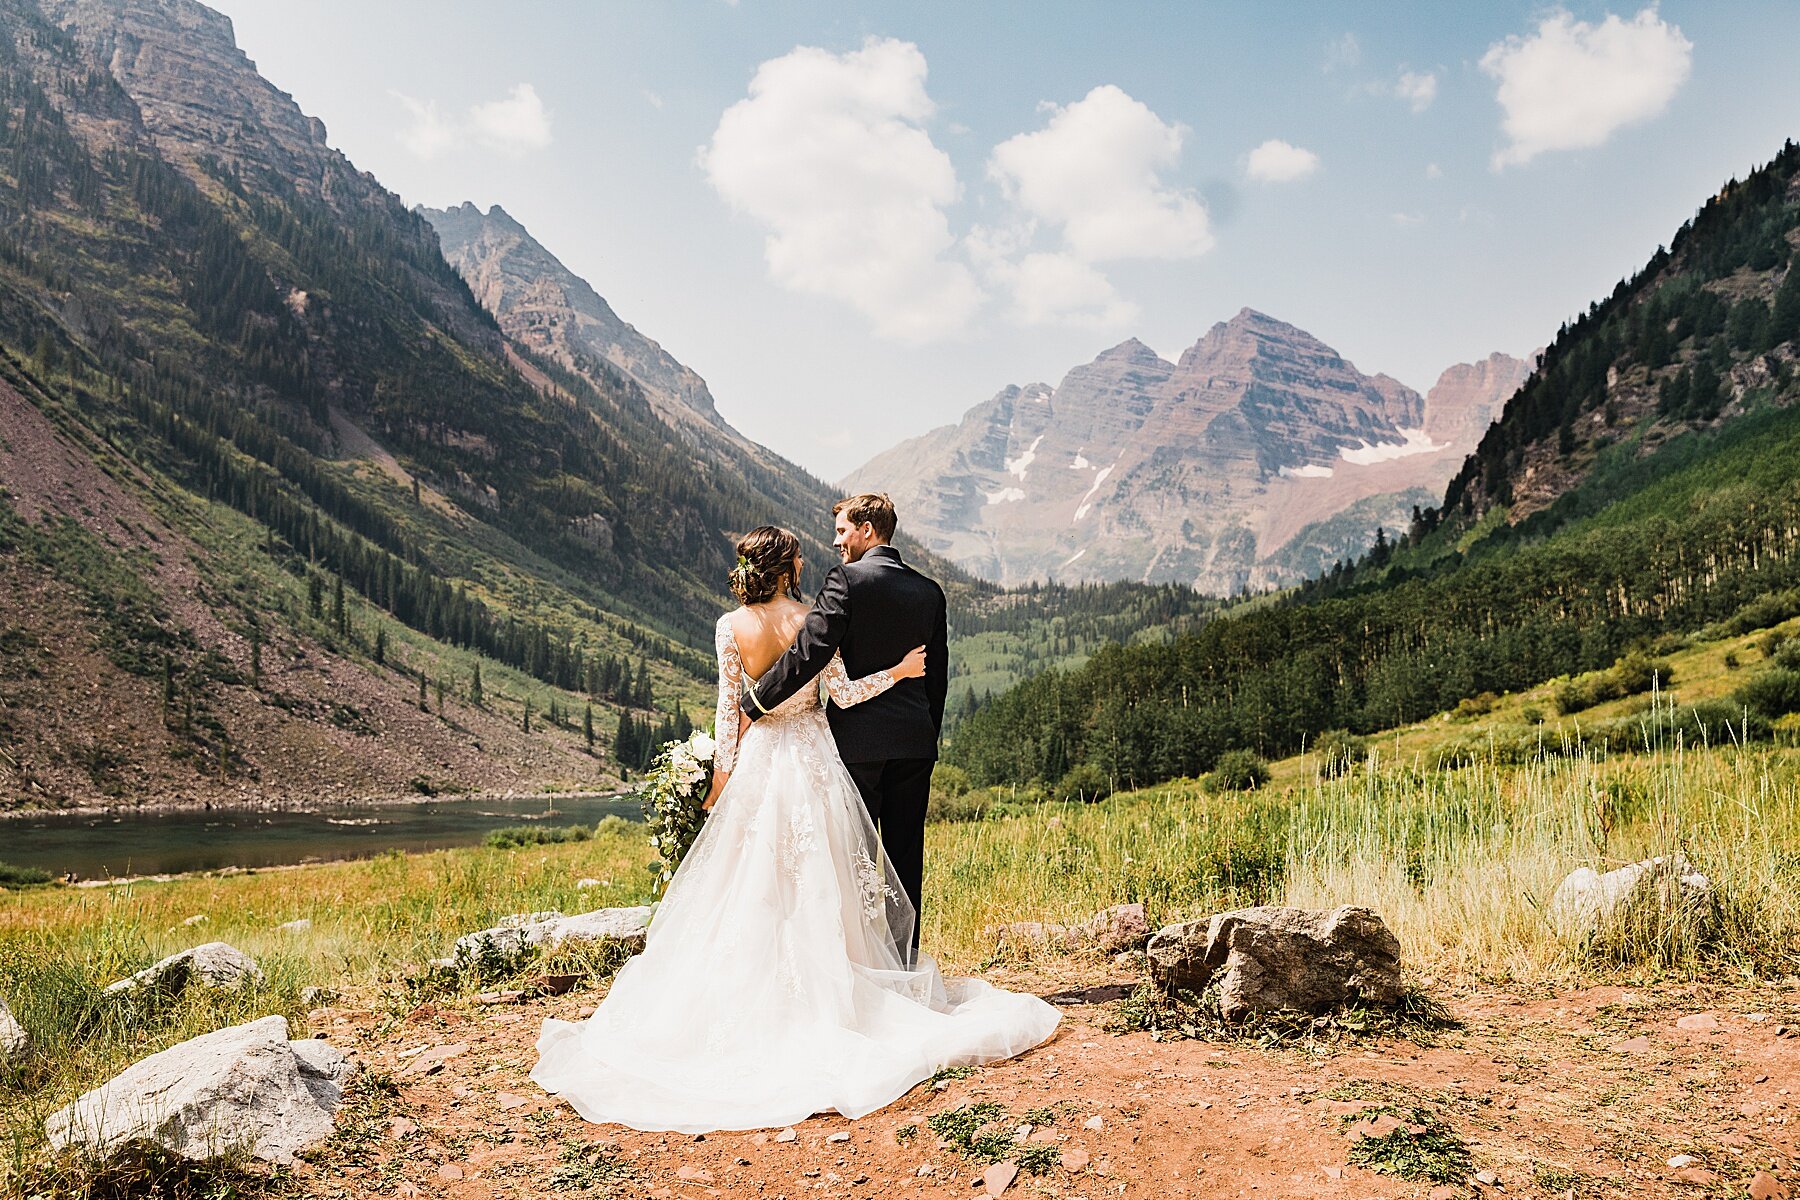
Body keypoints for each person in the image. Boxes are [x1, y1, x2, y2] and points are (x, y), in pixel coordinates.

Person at [530, 523, 1058, 1134]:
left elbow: (731, 711)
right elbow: (847, 695)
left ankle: (741, 1005)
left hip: (760, 766)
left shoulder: (731, 628)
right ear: (789, 569)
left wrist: (720, 780)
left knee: (747, 887)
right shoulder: (810, 619)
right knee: (823, 882)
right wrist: (902, 672)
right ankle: (838, 995)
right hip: (814, 762)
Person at [741, 494, 944, 963]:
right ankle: (903, 965)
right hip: (914, 744)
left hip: (857, 745)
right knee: (904, 858)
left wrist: (754, 703)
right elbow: (937, 677)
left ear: (867, 530)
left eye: (841, 531)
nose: (835, 542)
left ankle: (857, 965)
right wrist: (924, 732)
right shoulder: (929, 591)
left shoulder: (846, 582)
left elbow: (808, 652)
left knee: (851, 862)